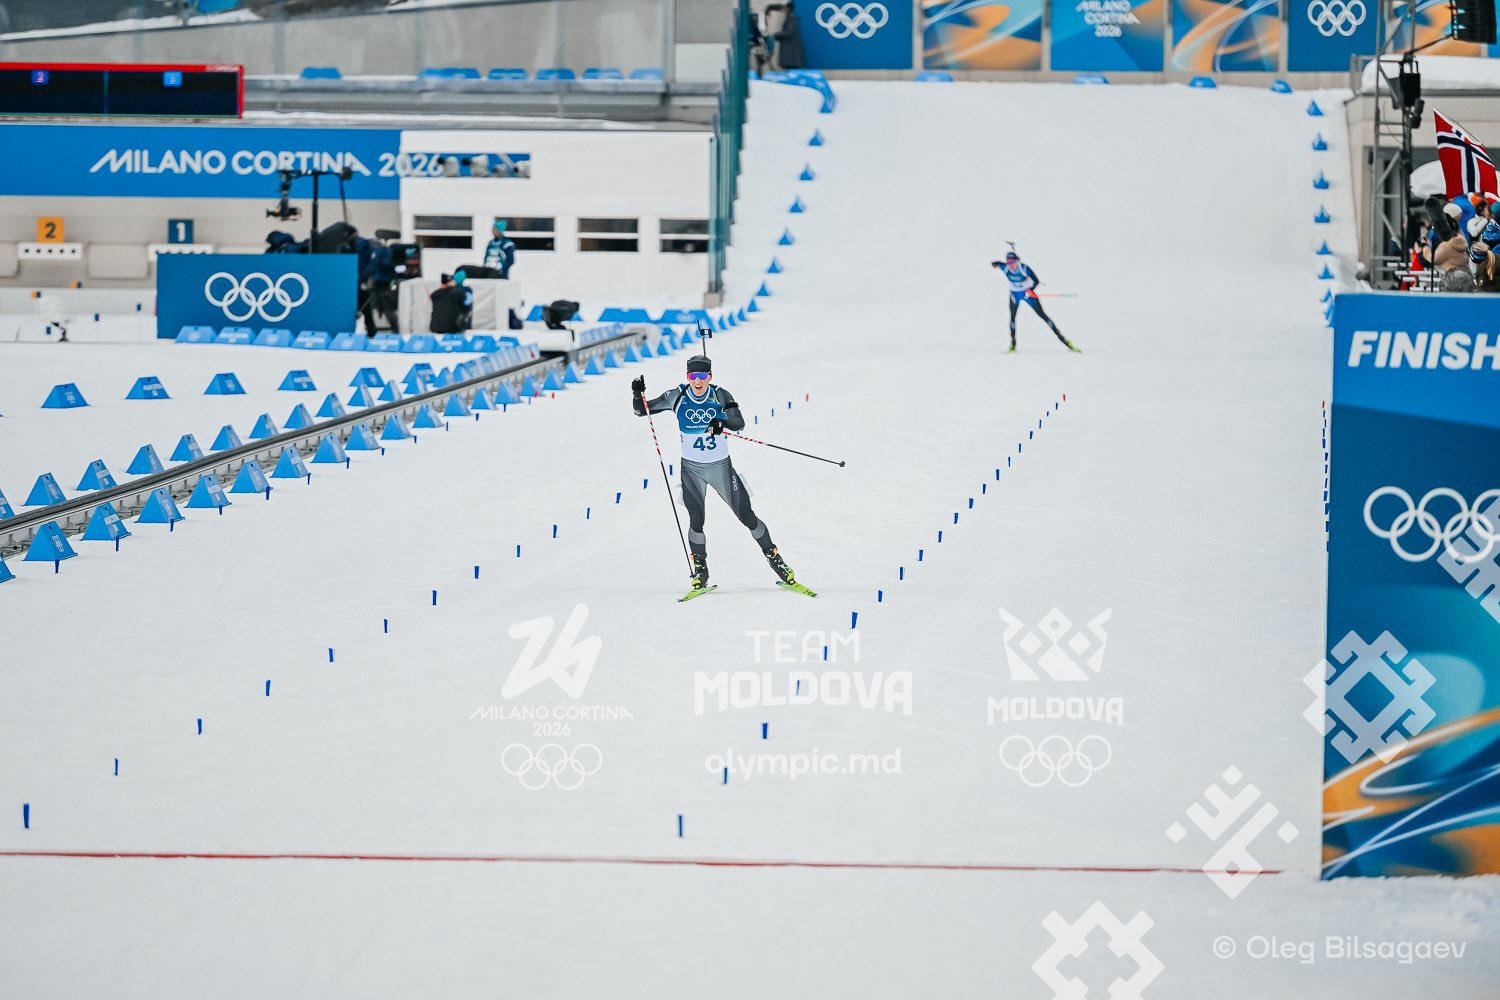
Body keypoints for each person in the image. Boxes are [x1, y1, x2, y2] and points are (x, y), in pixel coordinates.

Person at [631, 355, 799, 595]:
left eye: (702, 376)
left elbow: (738, 422)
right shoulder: (677, 396)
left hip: (721, 468)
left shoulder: (720, 395)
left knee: (747, 516)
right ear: (687, 377)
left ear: (710, 376)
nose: (697, 381)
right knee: (696, 519)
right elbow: (641, 411)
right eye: (693, 376)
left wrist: (722, 421)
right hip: (692, 470)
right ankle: (701, 571)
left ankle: (776, 560)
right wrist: (638, 394)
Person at [991, 251, 1080, 353]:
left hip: (1027, 294)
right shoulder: (1005, 267)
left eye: (1013, 262)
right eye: (1008, 262)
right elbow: (996, 263)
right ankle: (1013, 344)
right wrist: (996, 264)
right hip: (1014, 295)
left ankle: (1065, 342)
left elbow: (1036, 281)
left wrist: (1030, 290)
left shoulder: (1024, 268)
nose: (1011, 265)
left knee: (1043, 316)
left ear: (1017, 261)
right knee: (1012, 318)